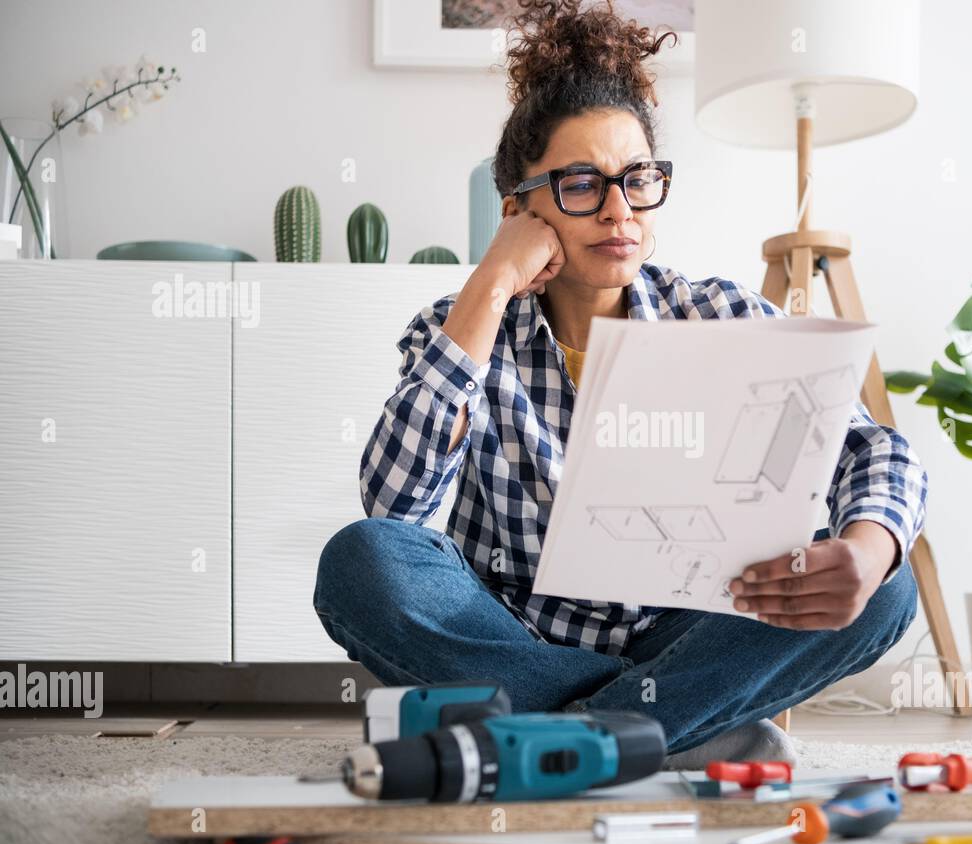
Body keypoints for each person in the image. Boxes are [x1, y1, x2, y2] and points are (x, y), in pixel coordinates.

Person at [314, 0, 927, 770]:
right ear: (518, 209)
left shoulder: (719, 315)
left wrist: (870, 549)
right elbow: (395, 510)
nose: (618, 212)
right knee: (359, 560)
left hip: (684, 633)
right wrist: (493, 280)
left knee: (889, 588)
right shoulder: (460, 326)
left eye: (638, 181)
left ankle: (570, 739)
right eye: (581, 184)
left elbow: (871, 449)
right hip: (514, 639)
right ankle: (675, 729)